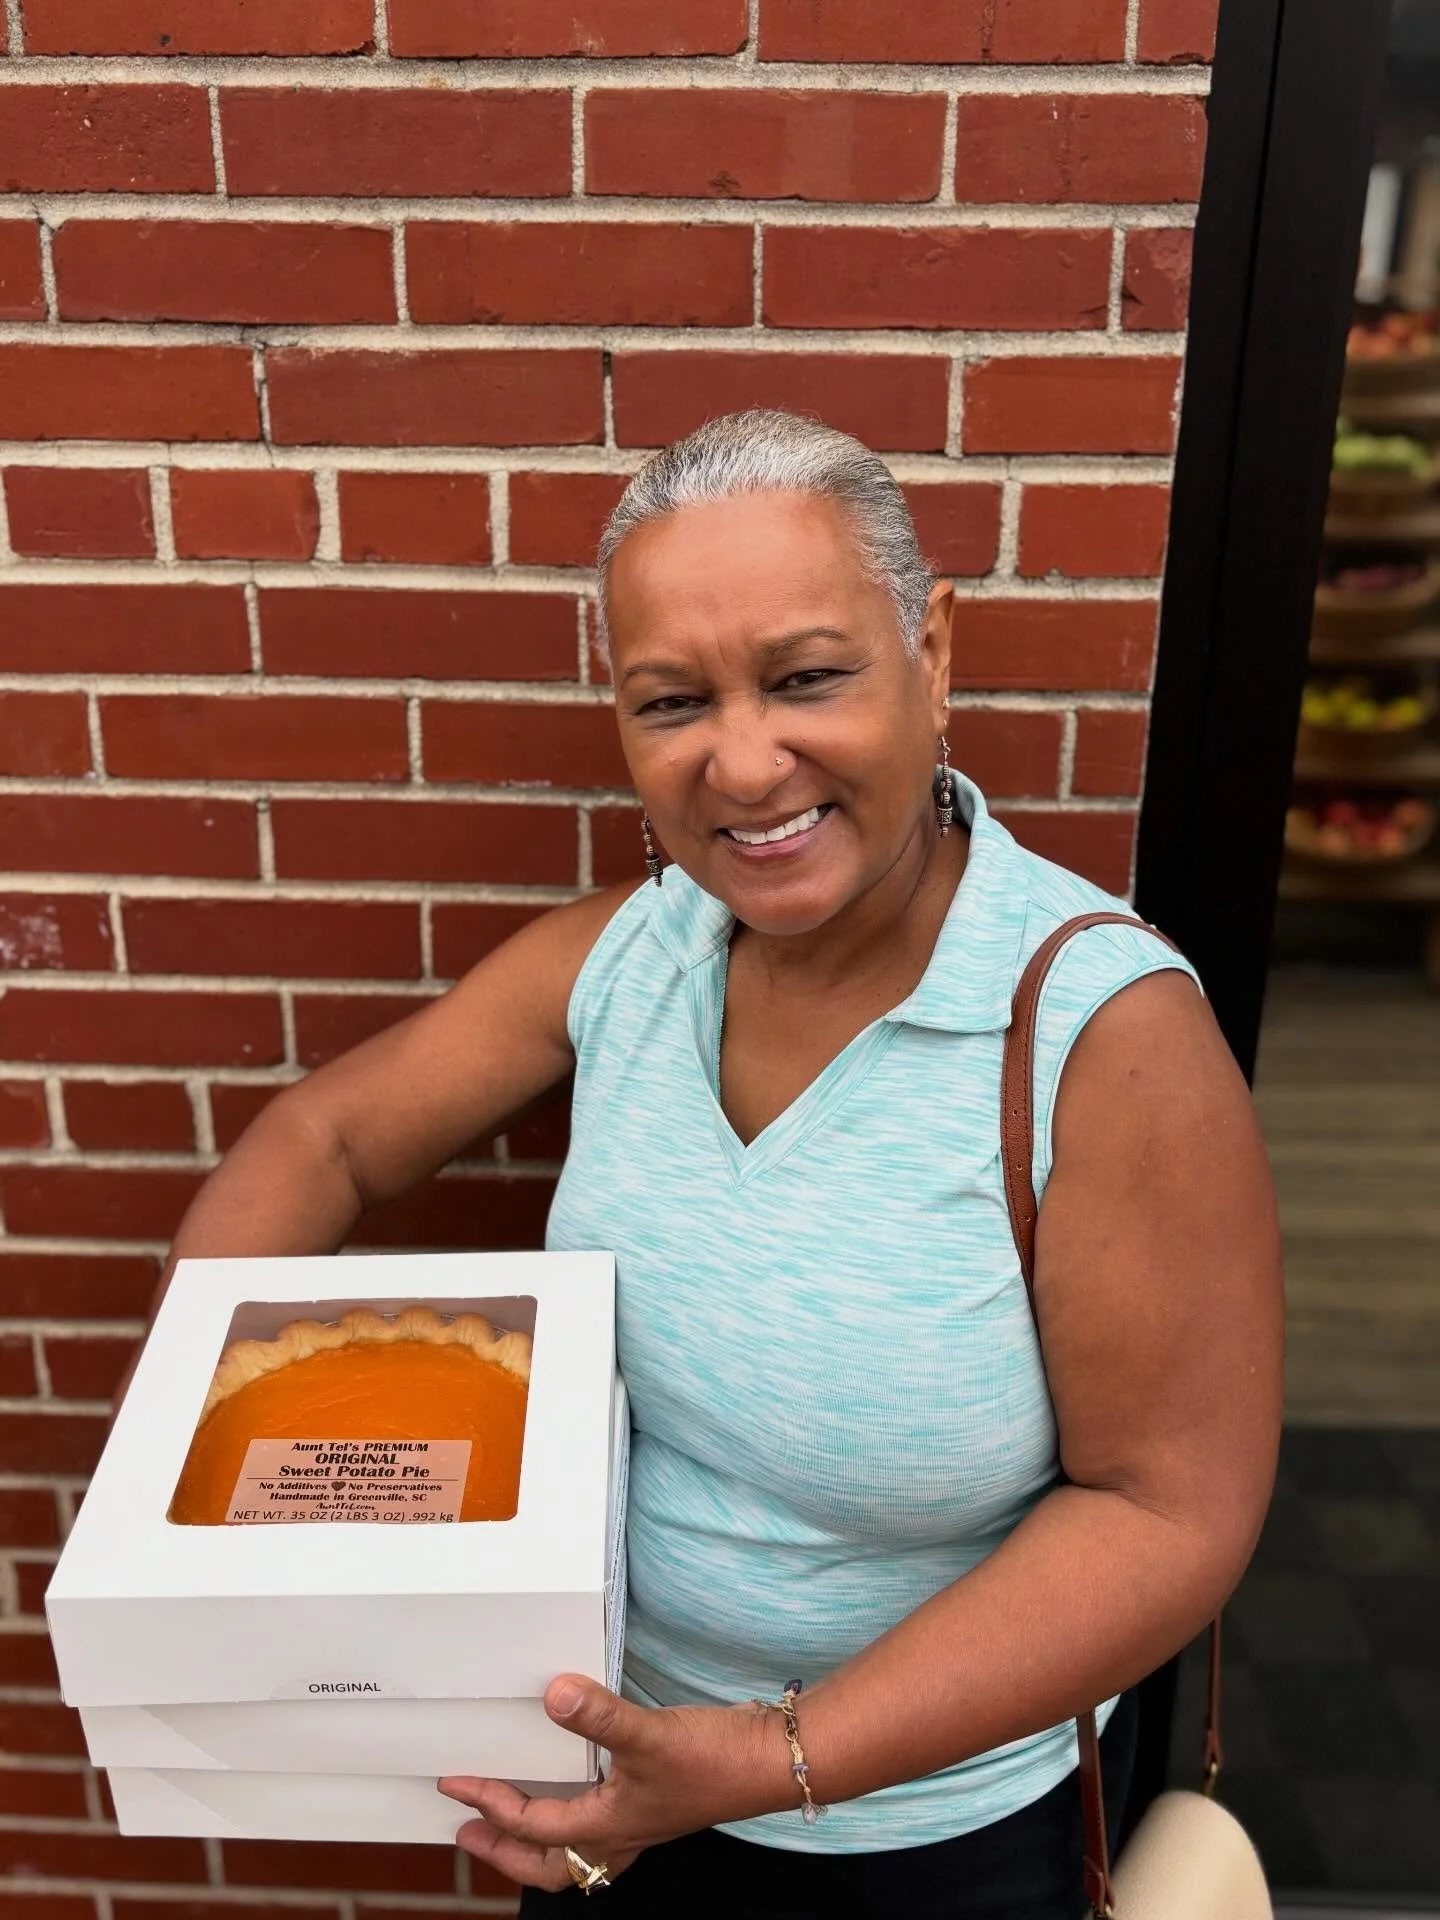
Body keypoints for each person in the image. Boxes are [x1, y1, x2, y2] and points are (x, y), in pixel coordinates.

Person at [152, 411, 1283, 1918]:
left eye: (809, 677)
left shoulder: (1099, 1036)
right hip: (611, 1782)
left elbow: (1168, 1515)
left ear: (931, 651)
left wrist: (763, 1760)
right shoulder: (639, 956)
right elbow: (331, 1135)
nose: (745, 764)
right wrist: (194, 1429)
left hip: (920, 1842)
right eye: (671, 700)